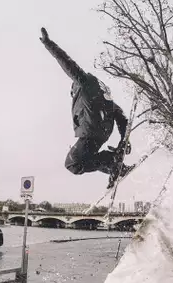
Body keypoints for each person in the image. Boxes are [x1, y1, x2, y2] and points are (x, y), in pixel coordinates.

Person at [39, 27, 133, 182]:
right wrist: (124, 140)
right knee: (87, 160)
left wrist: (49, 44)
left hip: (91, 132)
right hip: (102, 134)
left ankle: (112, 163)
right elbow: (121, 117)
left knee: (72, 164)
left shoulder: (83, 82)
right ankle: (115, 168)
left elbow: (67, 62)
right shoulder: (104, 94)